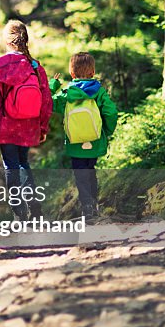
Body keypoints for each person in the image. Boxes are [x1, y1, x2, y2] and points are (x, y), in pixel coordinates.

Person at [0, 20, 53, 220]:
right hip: (29, 124)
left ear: (7, 41)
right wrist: (43, 127)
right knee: (24, 163)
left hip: (5, 124)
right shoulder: (35, 67)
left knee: (11, 165)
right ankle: (35, 209)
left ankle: (19, 213)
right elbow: (46, 100)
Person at [49, 52, 118, 219]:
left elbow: (48, 103)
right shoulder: (99, 92)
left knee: (80, 174)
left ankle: (87, 206)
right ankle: (93, 205)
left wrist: (53, 85)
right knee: (90, 170)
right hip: (94, 140)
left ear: (72, 74)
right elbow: (111, 112)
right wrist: (106, 132)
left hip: (75, 143)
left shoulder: (67, 93)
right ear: (92, 72)